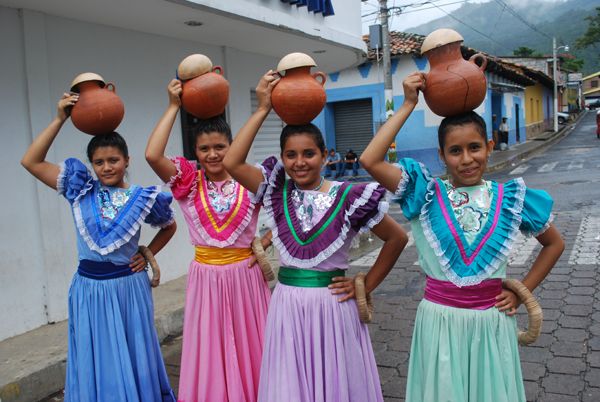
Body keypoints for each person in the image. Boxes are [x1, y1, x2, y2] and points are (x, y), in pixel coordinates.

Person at [359, 72, 565, 402]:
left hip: (492, 324)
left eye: (474, 148)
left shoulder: (511, 198)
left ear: (490, 147)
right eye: (455, 151)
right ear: (441, 155)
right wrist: (409, 103)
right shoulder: (424, 194)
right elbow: (370, 159)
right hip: (439, 323)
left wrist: (521, 290)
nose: (466, 159)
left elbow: (555, 244)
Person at [223, 70, 408, 402]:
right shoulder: (275, 191)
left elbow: (397, 239)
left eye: (308, 154)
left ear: (325, 156)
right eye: (290, 155)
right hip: (287, 305)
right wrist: (263, 107)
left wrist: (364, 283)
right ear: (282, 159)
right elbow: (232, 161)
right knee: (291, 387)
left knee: (334, 385)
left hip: (333, 307)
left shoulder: (349, 197)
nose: (299, 162)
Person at [21, 93, 178, 401]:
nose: (106, 167)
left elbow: (170, 225)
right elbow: (31, 161)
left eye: (114, 160)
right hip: (89, 290)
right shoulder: (79, 190)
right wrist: (59, 119)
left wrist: (147, 252)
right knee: (96, 355)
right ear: (91, 165)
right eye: (99, 162)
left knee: (133, 354)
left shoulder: (143, 197)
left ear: (127, 160)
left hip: (128, 289)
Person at [145, 79, 271, 402]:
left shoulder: (250, 178)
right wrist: (174, 106)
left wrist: (265, 242)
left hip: (246, 279)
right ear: (195, 152)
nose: (212, 154)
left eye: (220, 147)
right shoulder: (188, 181)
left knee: (251, 350)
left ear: (232, 147)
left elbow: (287, 212)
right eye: (204, 149)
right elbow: (152, 155)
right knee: (211, 353)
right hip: (206, 281)